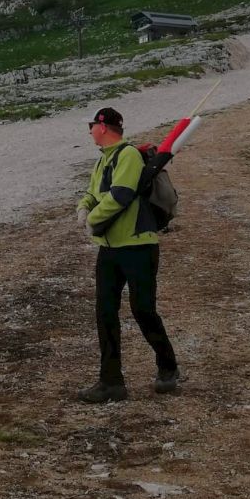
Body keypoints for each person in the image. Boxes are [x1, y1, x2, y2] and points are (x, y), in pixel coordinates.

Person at [75, 106, 180, 403]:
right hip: (109, 248)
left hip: (138, 246)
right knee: (105, 312)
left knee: (142, 309)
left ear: (103, 127)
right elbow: (92, 192)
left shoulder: (128, 155)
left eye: (91, 125)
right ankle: (111, 382)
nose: (89, 131)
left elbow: (120, 195)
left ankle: (168, 367)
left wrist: (92, 219)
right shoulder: (102, 160)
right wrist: (83, 207)